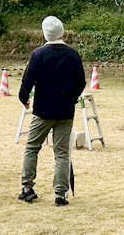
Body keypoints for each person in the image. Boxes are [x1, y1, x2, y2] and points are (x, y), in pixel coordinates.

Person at [18, 16, 86, 206]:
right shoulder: (73, 55)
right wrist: (72, 98)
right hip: (65, 110)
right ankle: (61, 193)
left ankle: (27, 187)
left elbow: (28, 79)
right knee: (62, 153)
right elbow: (81, 82)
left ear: (44, 33)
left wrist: (24, 98)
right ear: (62, 31)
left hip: (43, 110)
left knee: (32, 148)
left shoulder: (39, 54)